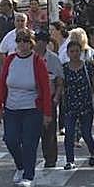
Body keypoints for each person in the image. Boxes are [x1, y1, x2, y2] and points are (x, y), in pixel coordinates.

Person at [0, 29, 53, 187]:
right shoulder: (10, 60)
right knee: (10, 139)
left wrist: (47, 113)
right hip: (12, 107)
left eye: (26, 41)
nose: (22, 44)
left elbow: (45, 89)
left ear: (31, 43)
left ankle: (29, 175)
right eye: (19, 41)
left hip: (32, 108)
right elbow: (2, 84)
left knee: (29, 142)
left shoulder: (37, 61)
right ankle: (20, 166)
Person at [59, 39, 94, 170]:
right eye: (72, 51)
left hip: (86, 105)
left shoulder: (88, 67)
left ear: (81, 52)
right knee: (69, 133)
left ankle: (93, 153)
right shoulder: (64, 68)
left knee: (86, 132)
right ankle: (69, 160)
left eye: (77, 51)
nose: (75, 54)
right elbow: (60, 85)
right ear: (68, 53)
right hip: (70, 106)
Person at [33, 29, 64, 167]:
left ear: (46, 43)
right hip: (31, 100)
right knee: (30, 132)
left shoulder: (53, 59)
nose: (39, 44)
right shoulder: (28, 58)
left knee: (49, 132)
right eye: (36, 40)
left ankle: (50, 159)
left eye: (42, 41)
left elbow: (59, 81)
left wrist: (56, 98)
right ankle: (27, 159)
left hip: (49, 100)